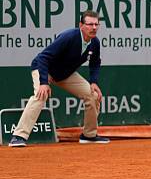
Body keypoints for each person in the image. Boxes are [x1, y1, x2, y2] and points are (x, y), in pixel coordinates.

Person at [9, 10, 109, 147]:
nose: (94, 28)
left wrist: (94, 82)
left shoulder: (95, 42)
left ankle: (89, 135)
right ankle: (18, 136)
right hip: (44, 69)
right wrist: (44, 82)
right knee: (40, 95)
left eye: (96, 24)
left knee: (93, 95)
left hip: (65, 74)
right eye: (90, 24)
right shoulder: (68, 37)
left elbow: (95, 62)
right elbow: (43, 58)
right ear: (81, 25)